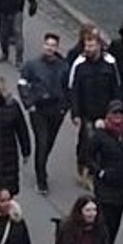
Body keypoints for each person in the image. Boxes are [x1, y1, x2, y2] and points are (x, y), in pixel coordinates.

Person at [17, 33, 72, 194]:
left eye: (53, 45)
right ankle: (41, 180)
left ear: (57, 48)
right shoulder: (31, 65)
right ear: (43, 46)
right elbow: (22, 84)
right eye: (47, 44)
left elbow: (69, 88)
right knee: (41, 142)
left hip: (56, 110)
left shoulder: (63, 66)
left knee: (49, 143)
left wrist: (65, 108)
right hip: (38, 110)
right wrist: (29, 104)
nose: (49, 47)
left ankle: (42, 165)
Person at [66, 28, 122, 179]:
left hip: (105, 112)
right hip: (87, 113)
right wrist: (75, 113)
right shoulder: (80, 65)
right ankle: (84, 166)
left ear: (99, 45)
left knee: (103, 142)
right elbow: (74, 90)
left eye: (91, 46)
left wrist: (118, 110)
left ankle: (94, 171)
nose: (88, 49)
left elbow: (116, 88)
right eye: (86, 45)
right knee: (88, 141)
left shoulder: (110, 64)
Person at [85, 100, 123, 237]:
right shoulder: (100, 134)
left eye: (121, 112)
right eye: (114, 112)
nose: (118, 115)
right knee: (104, 219)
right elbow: (88, 155)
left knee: (116, 219)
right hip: (105, 184)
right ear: (108, 114)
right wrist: (99, 172)